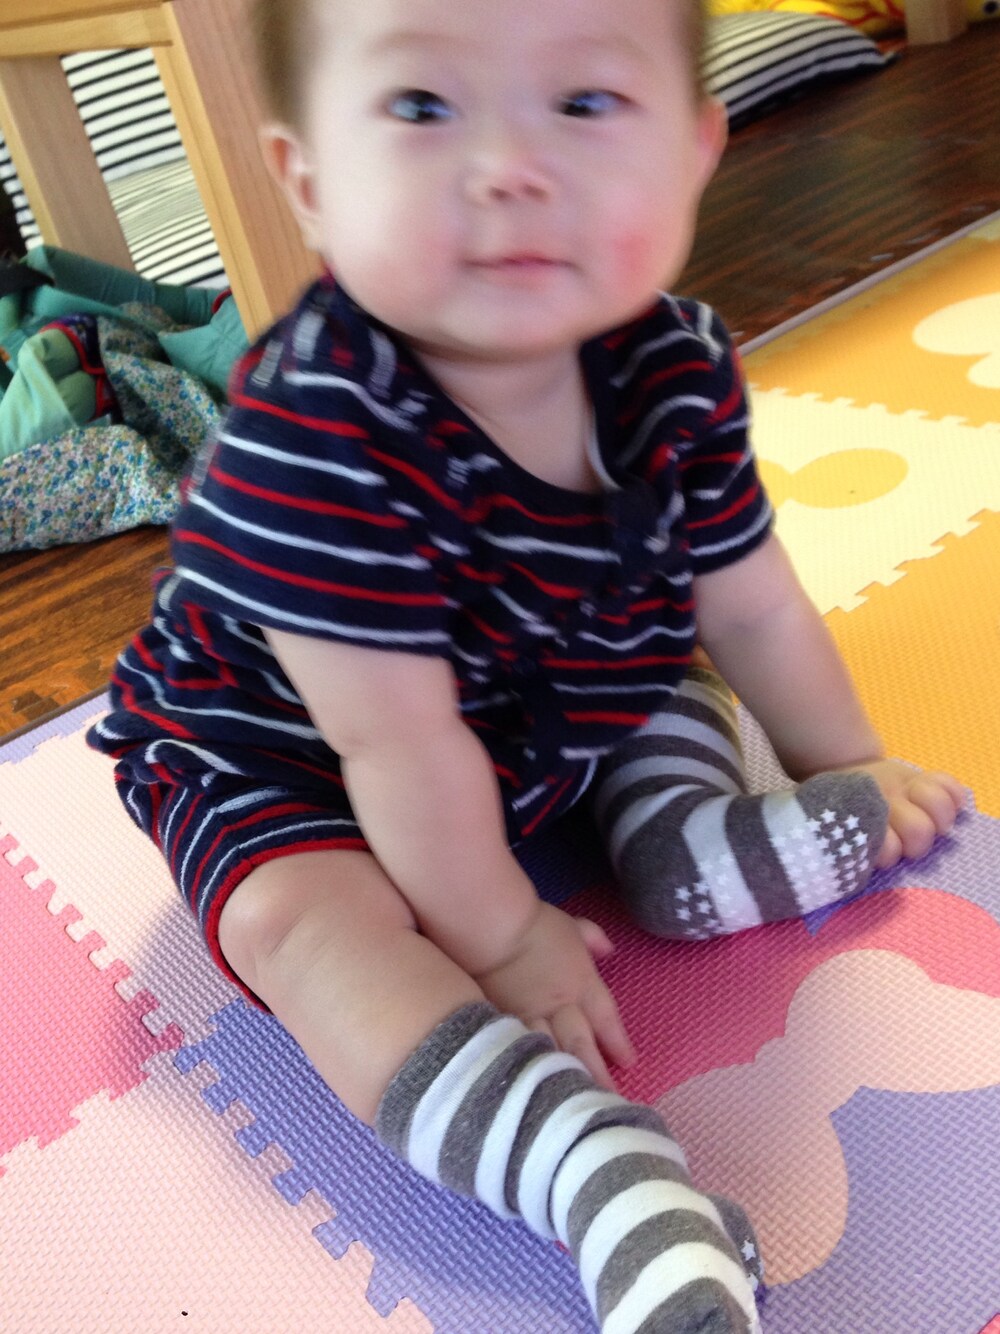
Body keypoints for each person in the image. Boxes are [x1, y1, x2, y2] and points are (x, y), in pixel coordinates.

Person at [88, 0, 966, 1328]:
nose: (510, 168)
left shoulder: (675, 368)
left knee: (662, 647)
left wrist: (847, 763)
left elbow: (753, 606)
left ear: (693, 148)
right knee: (303, 930)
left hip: (538, 695)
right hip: (294, 756)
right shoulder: (311, 440)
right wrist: (503, 940)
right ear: (309, 181)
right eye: (424, 107)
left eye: (585, 103)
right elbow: (396, 746)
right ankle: (588, 1169)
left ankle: (682, 839)